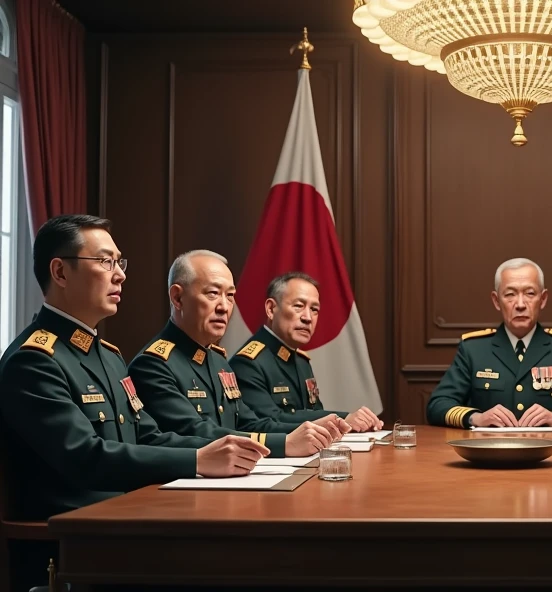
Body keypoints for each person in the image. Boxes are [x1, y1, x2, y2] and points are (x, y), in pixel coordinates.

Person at [0, 216, 268, 589]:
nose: (120, 274)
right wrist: (197, 461)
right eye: (105, 262)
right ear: (60, 272)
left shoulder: (107, 355)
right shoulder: (33, 359)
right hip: (75, 542)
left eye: (119, 262)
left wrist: (222, 450)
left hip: (123, 518)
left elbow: (149, 436)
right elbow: (85, 457)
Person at [127, 250, 349, 457]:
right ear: (177, 298)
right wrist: (284, 444)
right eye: (213, 293)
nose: (224, 306)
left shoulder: (216, 359)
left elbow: (249, 423)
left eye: (230, 296)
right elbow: (195, 432)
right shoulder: (153, 364)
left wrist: (305, 433)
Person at [427, 258, 552, 428]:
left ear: (543, 299)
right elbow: (437, 404)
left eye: (530, 293)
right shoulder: (473, 349)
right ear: (496, 301)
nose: (521, 304)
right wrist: (477, 418)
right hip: (490, 453)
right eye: (510, 294)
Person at [229, 272, 382, 431]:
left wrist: (351, 425)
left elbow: (315, 413)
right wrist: (343, 419)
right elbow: (269, 420)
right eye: (298, 306)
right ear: (271, 309)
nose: (308, 317)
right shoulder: (248, 362)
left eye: (314, 309)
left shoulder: (301, 360)